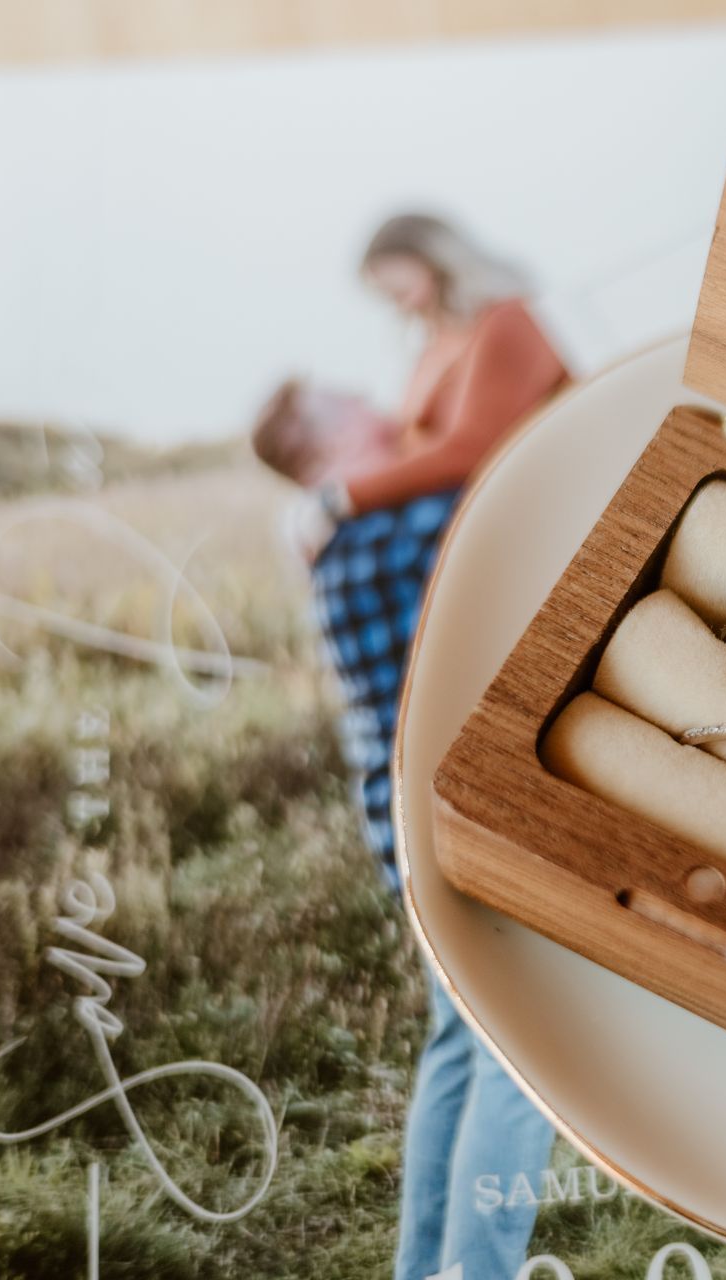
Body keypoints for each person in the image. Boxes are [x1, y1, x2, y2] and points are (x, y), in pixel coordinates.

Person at [257, 212, 570, 1280]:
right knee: (522, 1049)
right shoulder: (388, 529)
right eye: (350, 407)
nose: (384, 404)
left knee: (458, 1037)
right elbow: (488, 463)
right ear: (319, 447)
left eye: (405, 290)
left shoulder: (349, 538)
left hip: (403, 818)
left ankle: (422, 1268)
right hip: (449, 807)